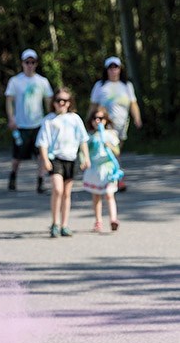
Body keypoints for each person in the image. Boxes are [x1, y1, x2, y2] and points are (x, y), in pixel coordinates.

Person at [36, 87, 90, 238]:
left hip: (71, 158)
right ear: (54, 102)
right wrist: (45, 159)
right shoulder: (49, 120)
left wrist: (86, 158)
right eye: (59, 100)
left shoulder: (75, 118)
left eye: (65, 101)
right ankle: (55, 222)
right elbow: (42, 142)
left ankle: (64, 224)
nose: (62, 103)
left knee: (67, 193)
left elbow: (83, 140)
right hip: (55, 158)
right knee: (57, 190)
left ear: (69, 103)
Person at [88, 56, 142, 191]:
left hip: (121, 125)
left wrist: (137, 118)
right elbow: (93, 106)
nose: (113, 70)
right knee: (113, 152)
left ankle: (111, 177)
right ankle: (117, 179)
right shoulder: (100, 86)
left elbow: (133, 104)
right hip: (106, 126)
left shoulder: (126, 86)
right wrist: (88, 121)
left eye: (116, 67)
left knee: (115, 151)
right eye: (110, 68)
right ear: (106, 70)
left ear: (120, 69)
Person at [5, 49, 54, 192]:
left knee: (41, 154)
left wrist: (49, 119)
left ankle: (40, 181)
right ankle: (13, 176)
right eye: (27, 62)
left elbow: (48, 100)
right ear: (22, 63)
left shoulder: (42, 81)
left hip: (38, 124)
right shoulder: (15, 81)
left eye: (33, 62)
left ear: (36, 63)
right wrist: (11, 118)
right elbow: (9, 101)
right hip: (20, 124)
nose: (30, 65)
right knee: (17, 156)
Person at [82, 108, 121, 232]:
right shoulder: (89, 136)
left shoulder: (110, 134)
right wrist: (83, 160)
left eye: (101, 118)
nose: (97, 121)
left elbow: (117, 152)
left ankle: (113, 219)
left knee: (109, 194)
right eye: (95, 118)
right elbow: (84, 151)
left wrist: (109, 145)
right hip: (95, 169)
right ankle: (98, 221)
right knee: (97, 196)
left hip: (108, 169)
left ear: (106, 120)